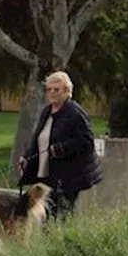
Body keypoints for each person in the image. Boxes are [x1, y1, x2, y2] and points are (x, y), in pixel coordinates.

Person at [17, 70, 103, 222]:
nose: (52, 93)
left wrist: (61, 149)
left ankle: (62, 244)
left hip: (68, 176)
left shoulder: (75, 113)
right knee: (47, 214)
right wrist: (27, 156)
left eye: (56, 89)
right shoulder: (47, 111)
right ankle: (49, 244)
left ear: (67, 91)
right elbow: (39, 138)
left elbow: (87, 142)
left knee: (61, 215)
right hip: (47, 174)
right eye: (49, 89)